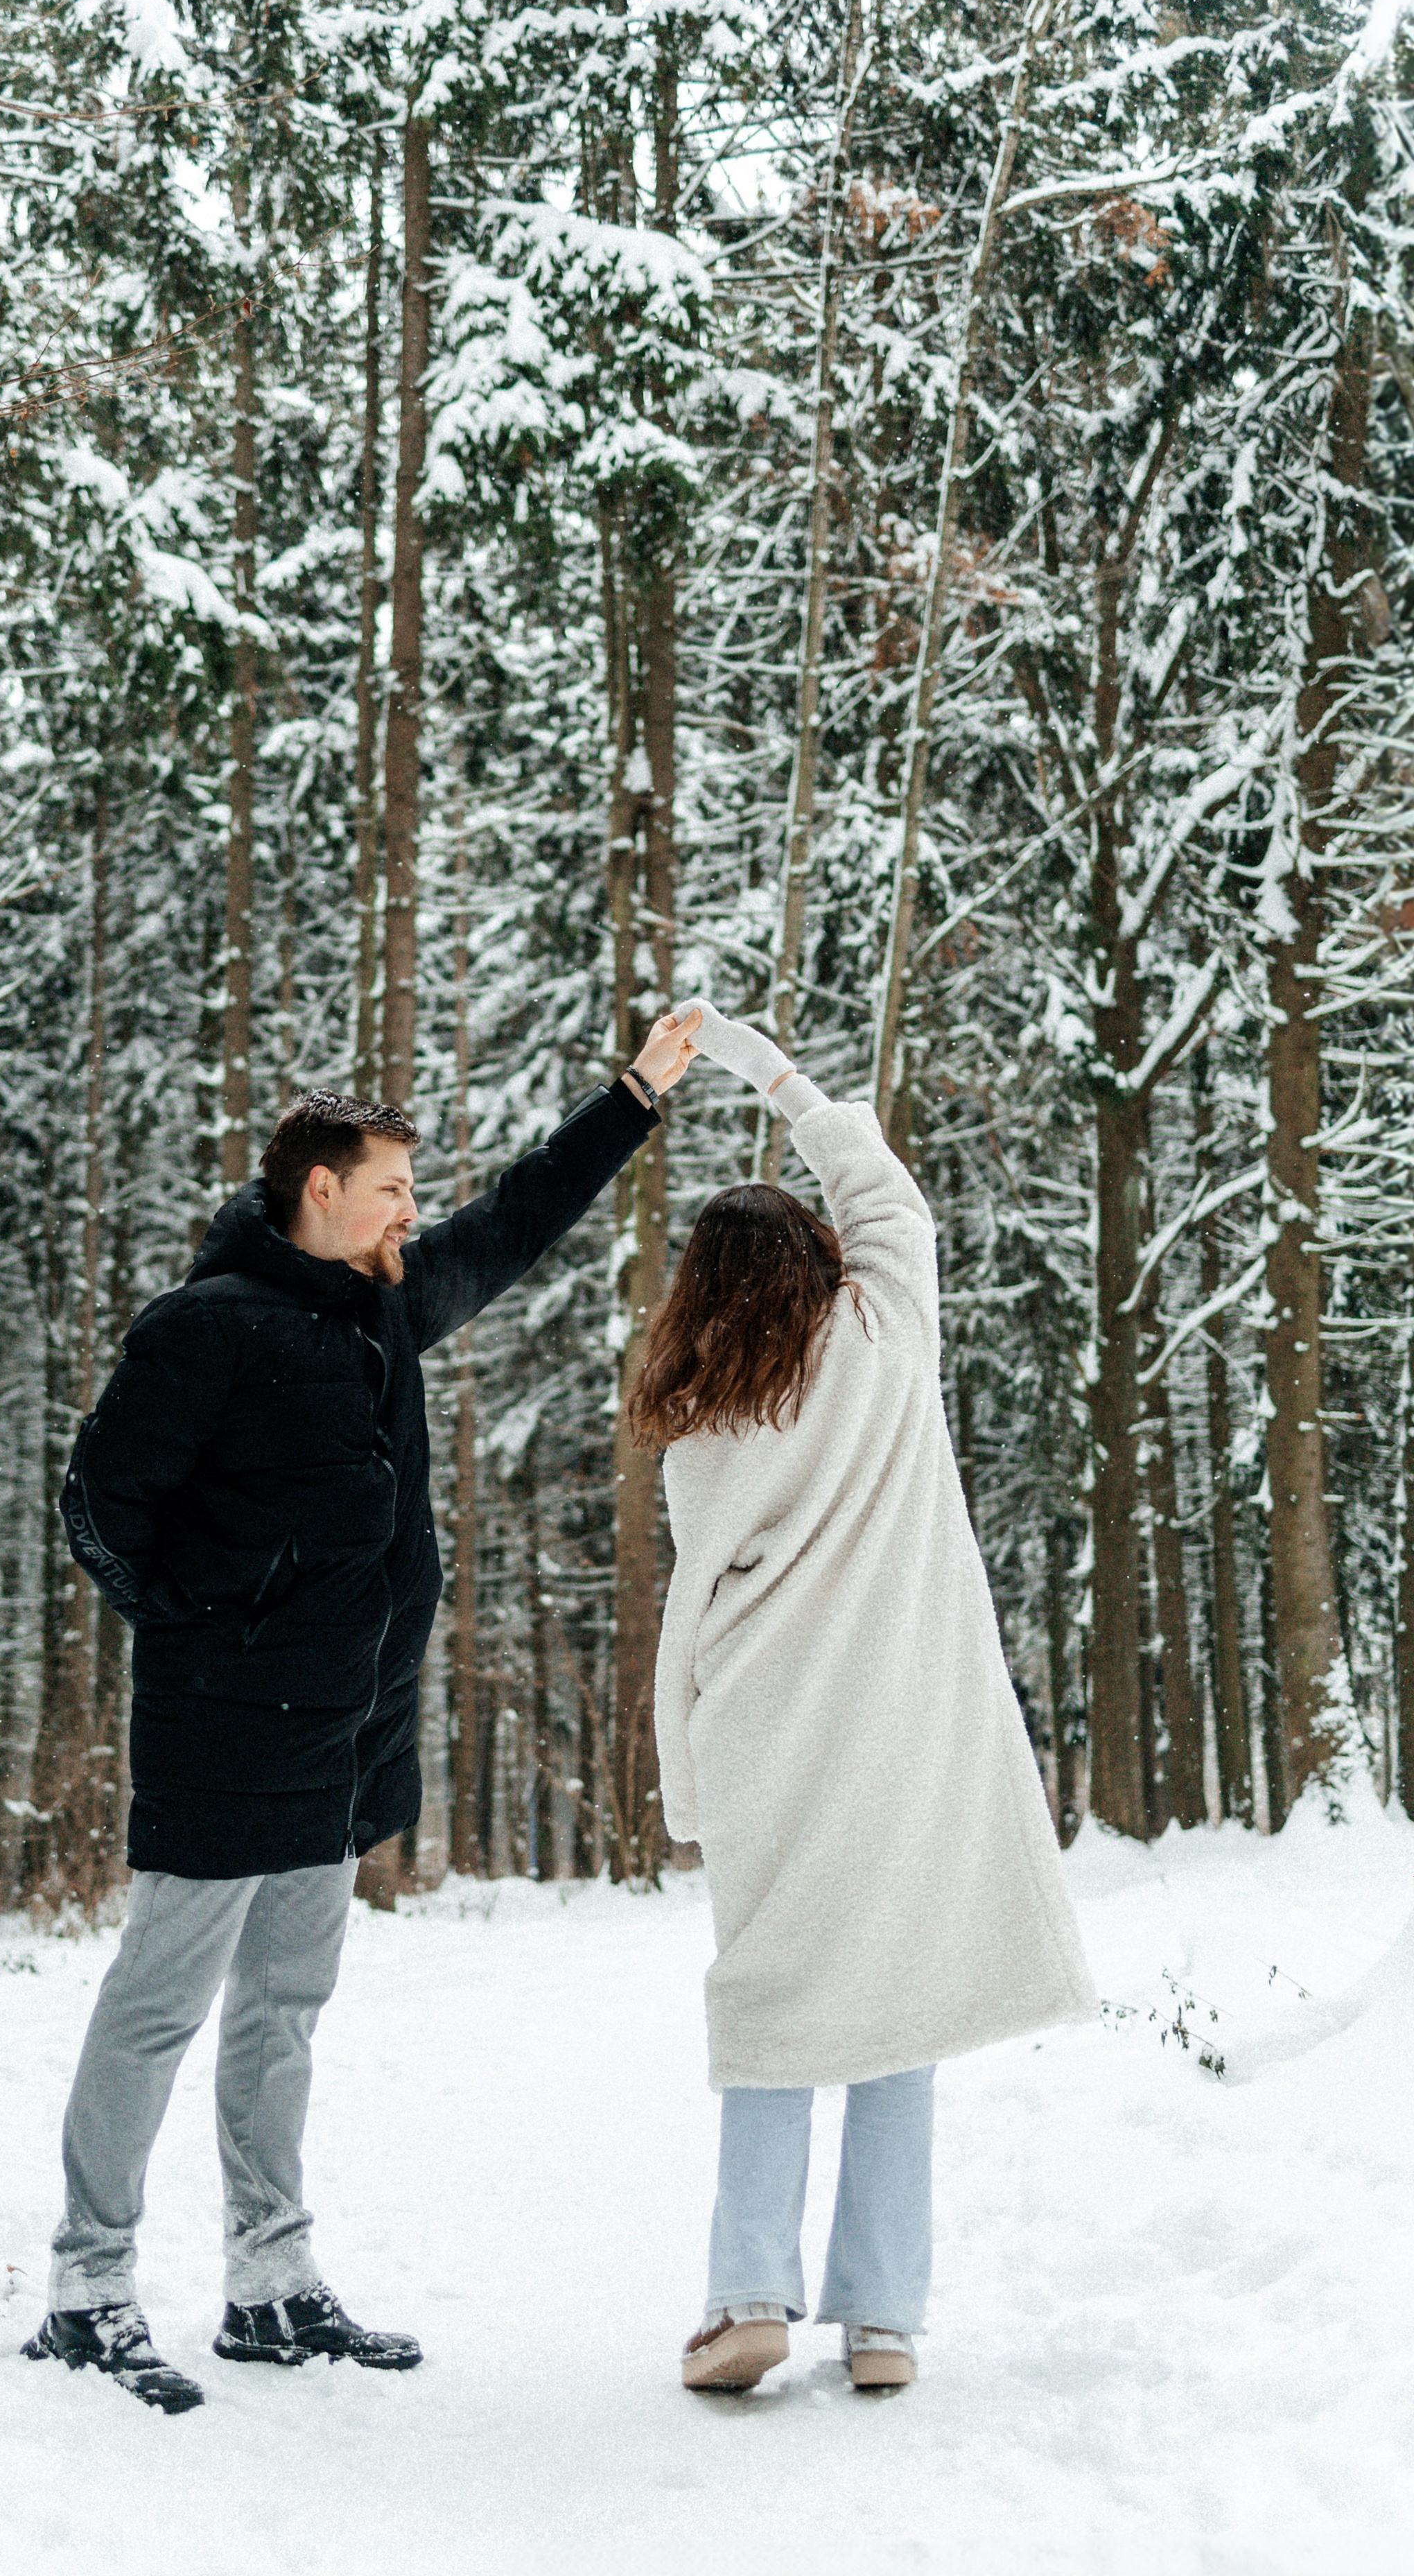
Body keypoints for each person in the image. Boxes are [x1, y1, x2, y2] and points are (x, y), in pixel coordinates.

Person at [23, 1011, 701, 2412]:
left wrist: (633, 1097)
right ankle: (88, 2288)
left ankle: (269, 2282)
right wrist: (209, 1624)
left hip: (344, 1734)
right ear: (319, 1191)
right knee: (156, 2009)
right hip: (225, 1732)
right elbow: (99, 1506)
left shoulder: (383, 1304)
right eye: (391, 1186)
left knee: (283, 2010)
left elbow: (515, 1221)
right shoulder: (204, 1329)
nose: (411, 1209)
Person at [643, 1003, 1097, 2398]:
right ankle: (883, 2320)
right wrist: (765, 1068)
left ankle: (745, 2297)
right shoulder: (888, 1333)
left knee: (773, 2007)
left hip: (766, 1736)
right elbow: (885, 1191)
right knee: (899, 2011)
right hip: (904, 1732)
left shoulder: (703, 1419)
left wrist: (686, 1780)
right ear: (825, 1262)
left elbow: (694, 1613)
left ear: (702, 1295)